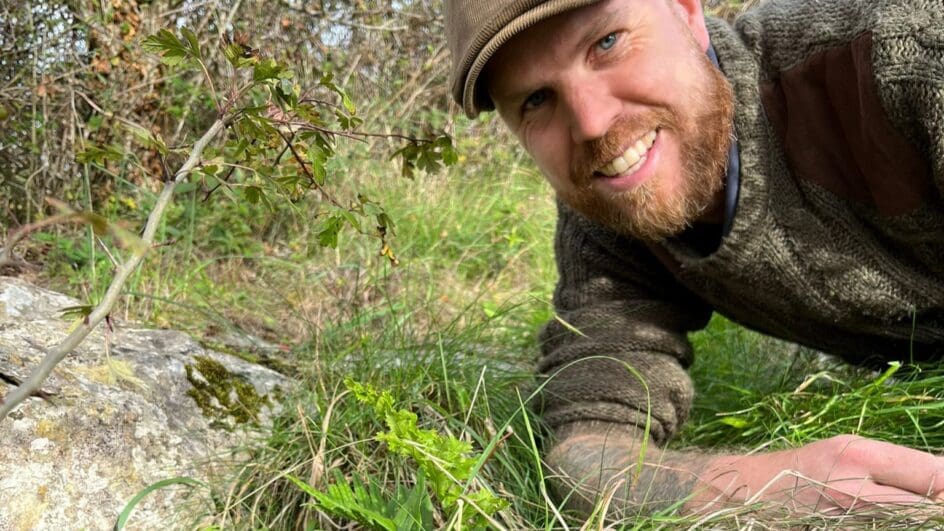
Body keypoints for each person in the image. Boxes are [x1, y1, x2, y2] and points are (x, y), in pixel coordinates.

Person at [445, 0, 944, 520]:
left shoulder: (897, 53)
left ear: (686, 10)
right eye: (537, 99)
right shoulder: (609, 220)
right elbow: (587, 450)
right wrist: (777, 485)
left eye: (607, 42)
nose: (591, 124)